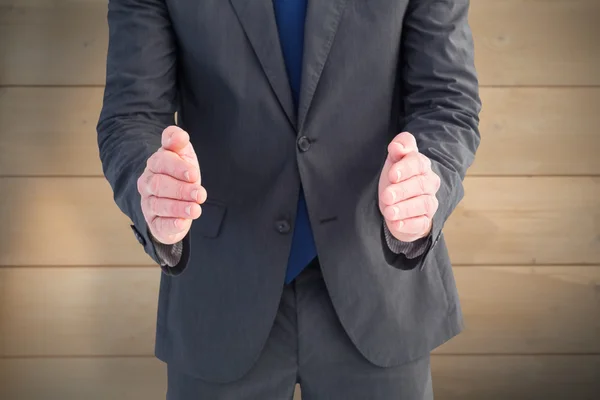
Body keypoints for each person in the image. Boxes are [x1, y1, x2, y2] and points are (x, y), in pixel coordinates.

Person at [97, 0, 480, 398]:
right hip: (219, 289)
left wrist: (423, 180)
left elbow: (447, 103)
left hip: (380, 280)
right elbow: (131, 115)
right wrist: (154, 187)